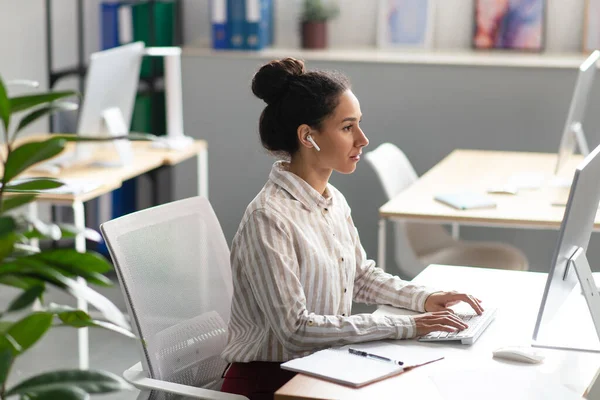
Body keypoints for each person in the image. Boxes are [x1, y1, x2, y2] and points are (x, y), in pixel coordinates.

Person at [221, 57, 484, 400]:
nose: (363, 139)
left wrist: (425, 299)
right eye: (348, 128)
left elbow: (359, 276)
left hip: (324, 364)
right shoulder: (269, 218)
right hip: (273, 382)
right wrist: (406, 326)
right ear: (308, 136)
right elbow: (296, 331)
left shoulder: (332, 200)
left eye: (359, 125)